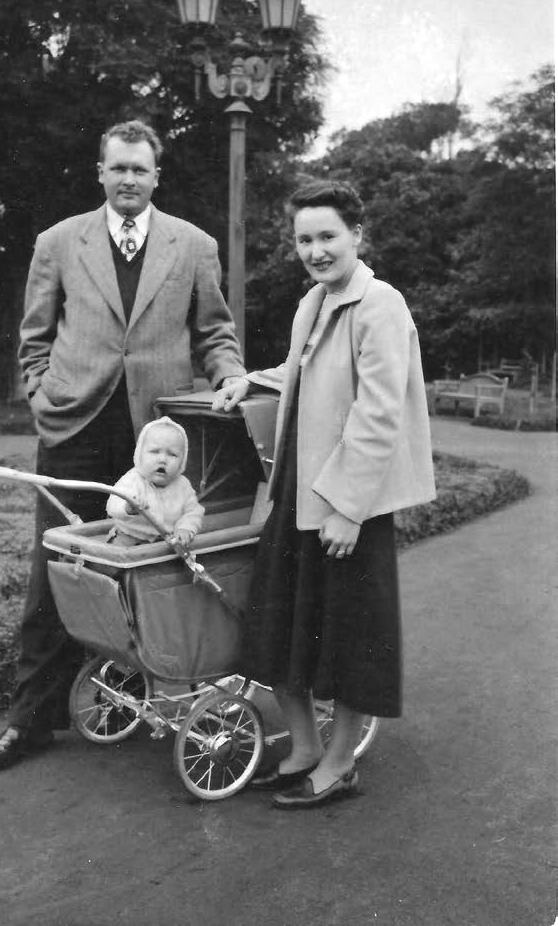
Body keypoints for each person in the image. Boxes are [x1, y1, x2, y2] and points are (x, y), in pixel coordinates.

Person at [0, 119, 245, 773]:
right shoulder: (60, 242)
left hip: (155, 436)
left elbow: (214, 331)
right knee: (57, 569)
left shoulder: (193, 245)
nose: (128, 179)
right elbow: (33, 335)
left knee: (153, 564)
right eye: (117, 168)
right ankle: (30, 722)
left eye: (139, 169)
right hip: (74, 425)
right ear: (101, 171)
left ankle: (132, 694)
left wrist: (231, 373)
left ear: (157, 176)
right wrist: (42, 393)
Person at [212, 179, 435, 809]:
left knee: (350, 640)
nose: (316, 250)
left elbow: (378, 411)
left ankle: (339, 766)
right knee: (282, 629)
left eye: (327, 236)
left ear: (358, 236)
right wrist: (246, 379)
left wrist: (347, 507)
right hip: (298, 494)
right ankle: (305, 749)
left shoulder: (380, 304)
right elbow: (304, 370)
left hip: (346, 506)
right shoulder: (314, 301)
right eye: (304, 239)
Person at [105, 416, 204, 547]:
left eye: (172, 454)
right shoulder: (132, 479)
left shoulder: (183, 485)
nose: (163, 459)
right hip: (128, 538)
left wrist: (185, 528)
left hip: (166, 542)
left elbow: (193, 511)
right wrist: (127, 508)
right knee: (114, 561)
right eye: (155, 451)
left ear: (182, 461)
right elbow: (113, 504)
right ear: (140, 454)